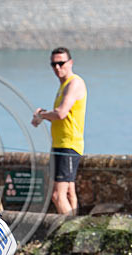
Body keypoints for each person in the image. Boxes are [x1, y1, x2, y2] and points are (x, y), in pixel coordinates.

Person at [31, 47, 87, 215]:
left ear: (70, 63)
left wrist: (41, 115)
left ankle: (72, 233)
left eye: (61, 63)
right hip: (60, 144)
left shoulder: (74, 83)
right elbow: (60, 113)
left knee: (57, 195)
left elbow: (61, 113)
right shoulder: (63, 86)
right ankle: (77, 233)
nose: (57, 67)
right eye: (53, 64)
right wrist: (45, 115)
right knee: (69, 192)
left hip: (68, 145)